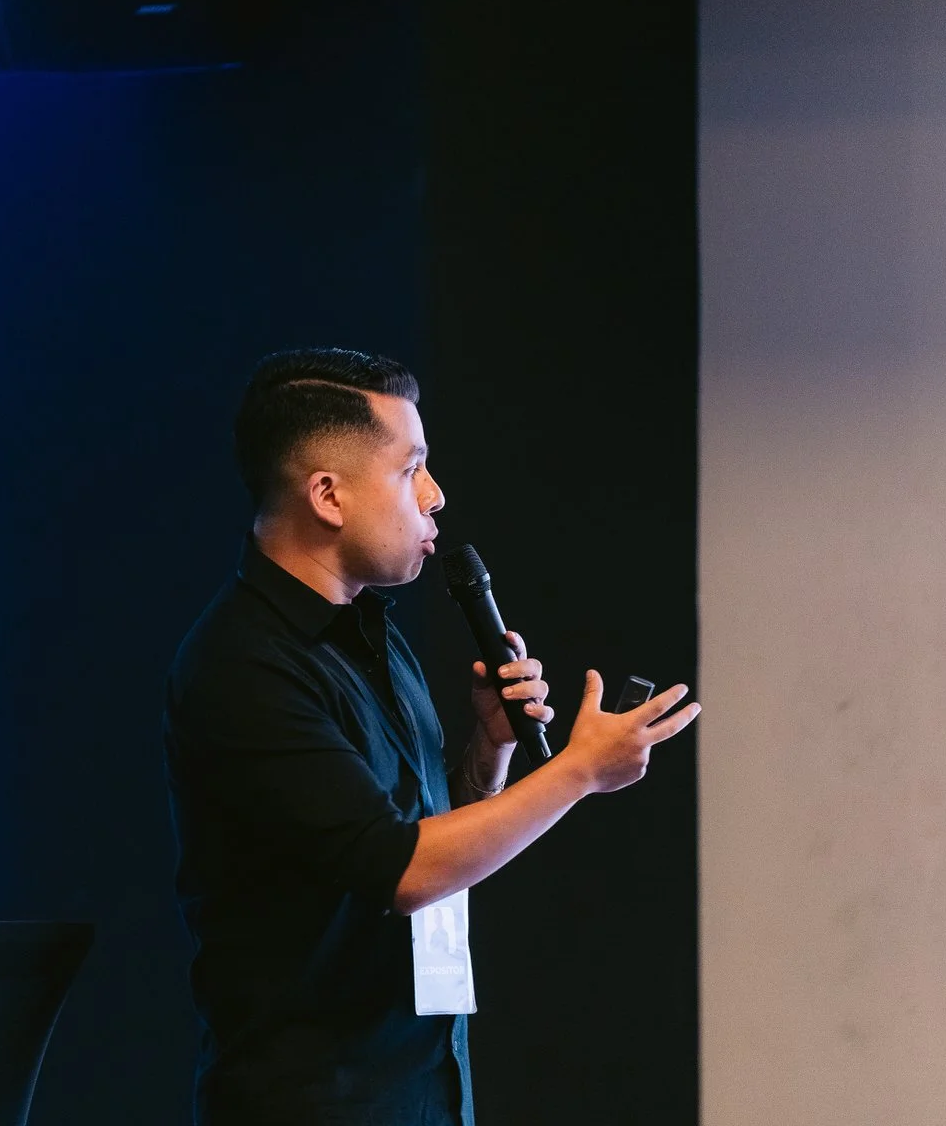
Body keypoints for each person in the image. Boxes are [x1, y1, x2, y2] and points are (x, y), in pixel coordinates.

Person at [163, 347, 698, 1125]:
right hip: (317, 1102)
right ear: (327, 494)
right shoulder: (244, 664)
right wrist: (578, 771)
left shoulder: (372, 637)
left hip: (421, 1084)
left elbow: (412, 832)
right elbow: (399, 870)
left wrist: (487, 757)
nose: (435, 496)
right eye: (411, 468)